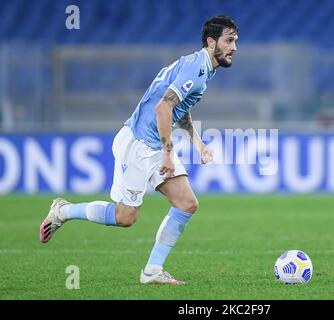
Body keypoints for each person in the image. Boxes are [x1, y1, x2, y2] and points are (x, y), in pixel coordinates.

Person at [39, 15, 239, 285]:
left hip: (155, 144)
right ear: (211, 41)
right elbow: (163, 107)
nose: (234, 47)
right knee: (126, 217)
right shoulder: (196, 68)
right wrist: (168, 154)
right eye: (229, 40)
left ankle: (152, 271)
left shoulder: (202, 67)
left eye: (235, 41)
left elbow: (178, 106)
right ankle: (63, 211)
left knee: (186, 203)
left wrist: (197, 142)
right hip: (139, 144)